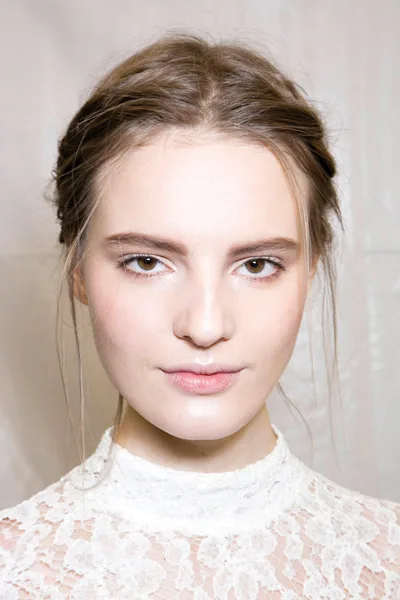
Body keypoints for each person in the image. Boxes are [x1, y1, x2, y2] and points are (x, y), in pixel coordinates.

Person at [0, 31, 399, 599]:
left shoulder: (387, 559)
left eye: (257, 264)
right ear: (79, 270)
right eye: (146, 261)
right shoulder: (14, 572)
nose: (206, 327)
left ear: (310, 270)